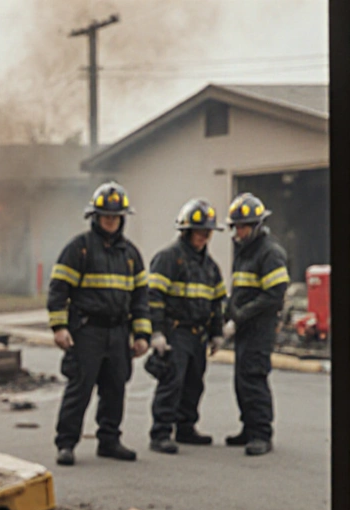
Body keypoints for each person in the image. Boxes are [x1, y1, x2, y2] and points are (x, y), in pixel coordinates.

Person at [47, 181, 152, 467]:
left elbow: (141, 298)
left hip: (118, 332)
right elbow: (59, 290)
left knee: (115, 388)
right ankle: (66, 443)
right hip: (87, 331)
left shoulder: (131, 255)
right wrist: (59, 327)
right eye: (106, 216)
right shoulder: (78, 249)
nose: (111, 221)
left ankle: (109, 441)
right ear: (95, 216)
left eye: (116, 217)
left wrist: (141, 333)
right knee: (79, 388)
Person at [145, 199, 226, 455]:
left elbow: (216, 303)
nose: (204, 237)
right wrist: (156, 332)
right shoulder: (168, 259)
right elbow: (154, 298)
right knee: (172, 382)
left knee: (194, 383)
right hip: (175, 331)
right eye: (199, 231)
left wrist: (216, 333)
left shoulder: (211, 267)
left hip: (198, 334)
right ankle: (160, 433)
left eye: (207, 232)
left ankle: (186, 427)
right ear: (186, 230)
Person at [222, 193, 289, 456]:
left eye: (244, 226)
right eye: (236, 226)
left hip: (259, 327)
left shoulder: (270, 253)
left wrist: (240, 316)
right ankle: (248, 428)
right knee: (241, 379)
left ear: (257, 225)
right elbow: (239, 290)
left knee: (253, 377)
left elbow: (273, 296)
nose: (239, 231)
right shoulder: (244, 252)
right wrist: (230, 315)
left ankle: (261, 433)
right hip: (245, 327)